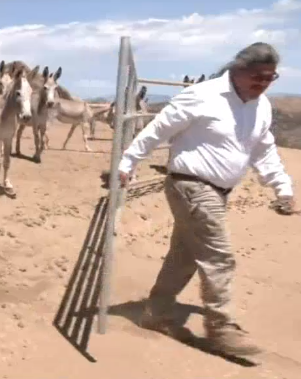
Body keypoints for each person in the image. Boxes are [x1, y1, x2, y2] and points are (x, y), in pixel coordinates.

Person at [117, 42, 296, 356]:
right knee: (219, 257)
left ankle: (155, 312)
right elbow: (158, 129)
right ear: (238, 69)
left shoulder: (261, 106)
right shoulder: (203, 95)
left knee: (184, 256)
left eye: (271, 78)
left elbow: (263, 149)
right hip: (191, 186)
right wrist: (129, 161)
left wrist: (282, 187)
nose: (264, 84)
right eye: (258, 76)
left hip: (218, 192)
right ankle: (220, 328)